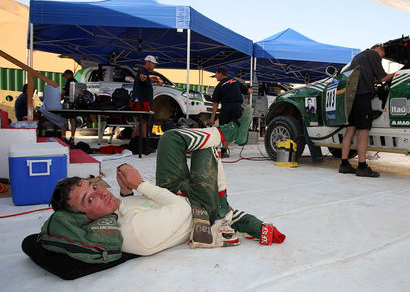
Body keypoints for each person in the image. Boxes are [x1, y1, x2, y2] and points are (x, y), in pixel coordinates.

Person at [49, 106, 285, 255]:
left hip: (173, 194)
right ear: (83, 217)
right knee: (204, 148)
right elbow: (180, 210)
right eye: (90, 199)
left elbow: (137, 207)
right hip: (196, 207)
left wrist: (127, 193)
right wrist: (140, 184)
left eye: (93, 186)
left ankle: (227, 141)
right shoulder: (135, 233)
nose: (100, 192)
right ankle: (231, 137)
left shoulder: (110, 216)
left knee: (171, 138)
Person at [339, 44, 395, 178]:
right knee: (363, 132)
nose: (381, 59)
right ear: (379, 49)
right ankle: (362, 167)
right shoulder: (373, 54)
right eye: (382, 55)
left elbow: (370, 77)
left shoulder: (358, 57)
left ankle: (344, 164)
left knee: (350, 130)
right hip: (363, 96)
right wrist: (398, 74)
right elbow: (382, 78)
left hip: (351, 98)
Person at [209, 66, 252, 158]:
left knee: (224, 128)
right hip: (237, 108)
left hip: (226, 108)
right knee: (233, 127)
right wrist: (252, 88)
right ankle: (224, 149)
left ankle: (222, 149)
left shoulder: (219, 86)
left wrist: (212, 119)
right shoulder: (235, 81)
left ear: (220, 74)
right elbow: (249, 91)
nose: (215, 76)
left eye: (216, 74)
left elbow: (215, 104)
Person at [132, 55, 158, 139]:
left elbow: (143, 80)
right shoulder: (142, 71)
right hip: (143, 103)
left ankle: (134, 139)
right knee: (144, 121)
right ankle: (144, 141)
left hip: (143, 102)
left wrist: (150, 80)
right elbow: (142, 77)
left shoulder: (144, 72)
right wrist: (144, 78)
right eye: (153, 64)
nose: (155, 66)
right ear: (148, 62)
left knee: (142, 122)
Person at [60, 69, 77, 144]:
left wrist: (60, 98)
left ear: (69, 74)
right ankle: (72, 138)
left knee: (63, 119)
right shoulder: (76, 82)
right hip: (74, 103)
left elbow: (63, 93)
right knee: (73, 120)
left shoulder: (68, 82)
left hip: (67, 103)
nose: (65, 77)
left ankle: (63, 137)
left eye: (66, 75)